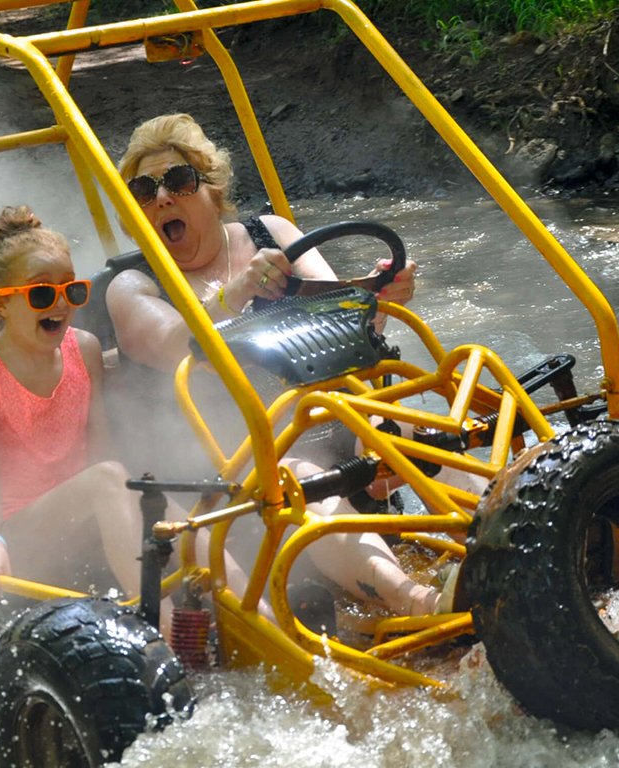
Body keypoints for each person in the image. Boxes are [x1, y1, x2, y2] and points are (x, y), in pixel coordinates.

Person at [107, 114, 453, 617]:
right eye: (144, 189)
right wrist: (237, 292)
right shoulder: (131, 286)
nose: (162, 199)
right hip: (233, 464)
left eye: (179, 182)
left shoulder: (269, 232)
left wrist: (379, 295)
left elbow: (352, 328)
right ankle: (419, 602)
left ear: (213, 187)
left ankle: (516, 534)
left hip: (329, 415)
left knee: (413, 432)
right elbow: (174, 342)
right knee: (295, 475)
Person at [0, 205, 145, 605]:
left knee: (160, 498)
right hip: (10, 530)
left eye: (71, 289)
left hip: (81, 509)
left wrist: (142, 508)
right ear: (2, 304)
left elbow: (101, 445)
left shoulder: (84, 349)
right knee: (111, 479)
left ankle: (260, 615)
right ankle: (164, 624)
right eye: (41, 293)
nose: (59, 304)